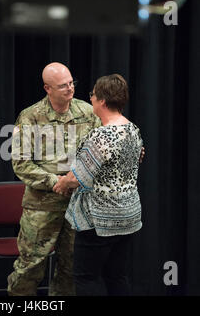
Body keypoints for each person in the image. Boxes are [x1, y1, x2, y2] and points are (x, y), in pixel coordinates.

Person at [7, 62, 101, 296]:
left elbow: (102, 150)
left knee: (70, 268)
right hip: (42, 206)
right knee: (30, 267)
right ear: (47, 88)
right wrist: (55, 182)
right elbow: (21, 164)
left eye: (71, 83)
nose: (70, 89)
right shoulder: (30, 117)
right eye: (63, 86)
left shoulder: (87, 113)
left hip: (77, 205)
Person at [53, 74, 143, 296]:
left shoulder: (101, 135)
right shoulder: (133, 130)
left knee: (86, 277)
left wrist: (62, 183)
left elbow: (77, 178)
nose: (90, 98)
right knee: (116, 276)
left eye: (93, 94)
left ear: (102, 100)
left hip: (100, 220)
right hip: (128, 216)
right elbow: (138, 158)